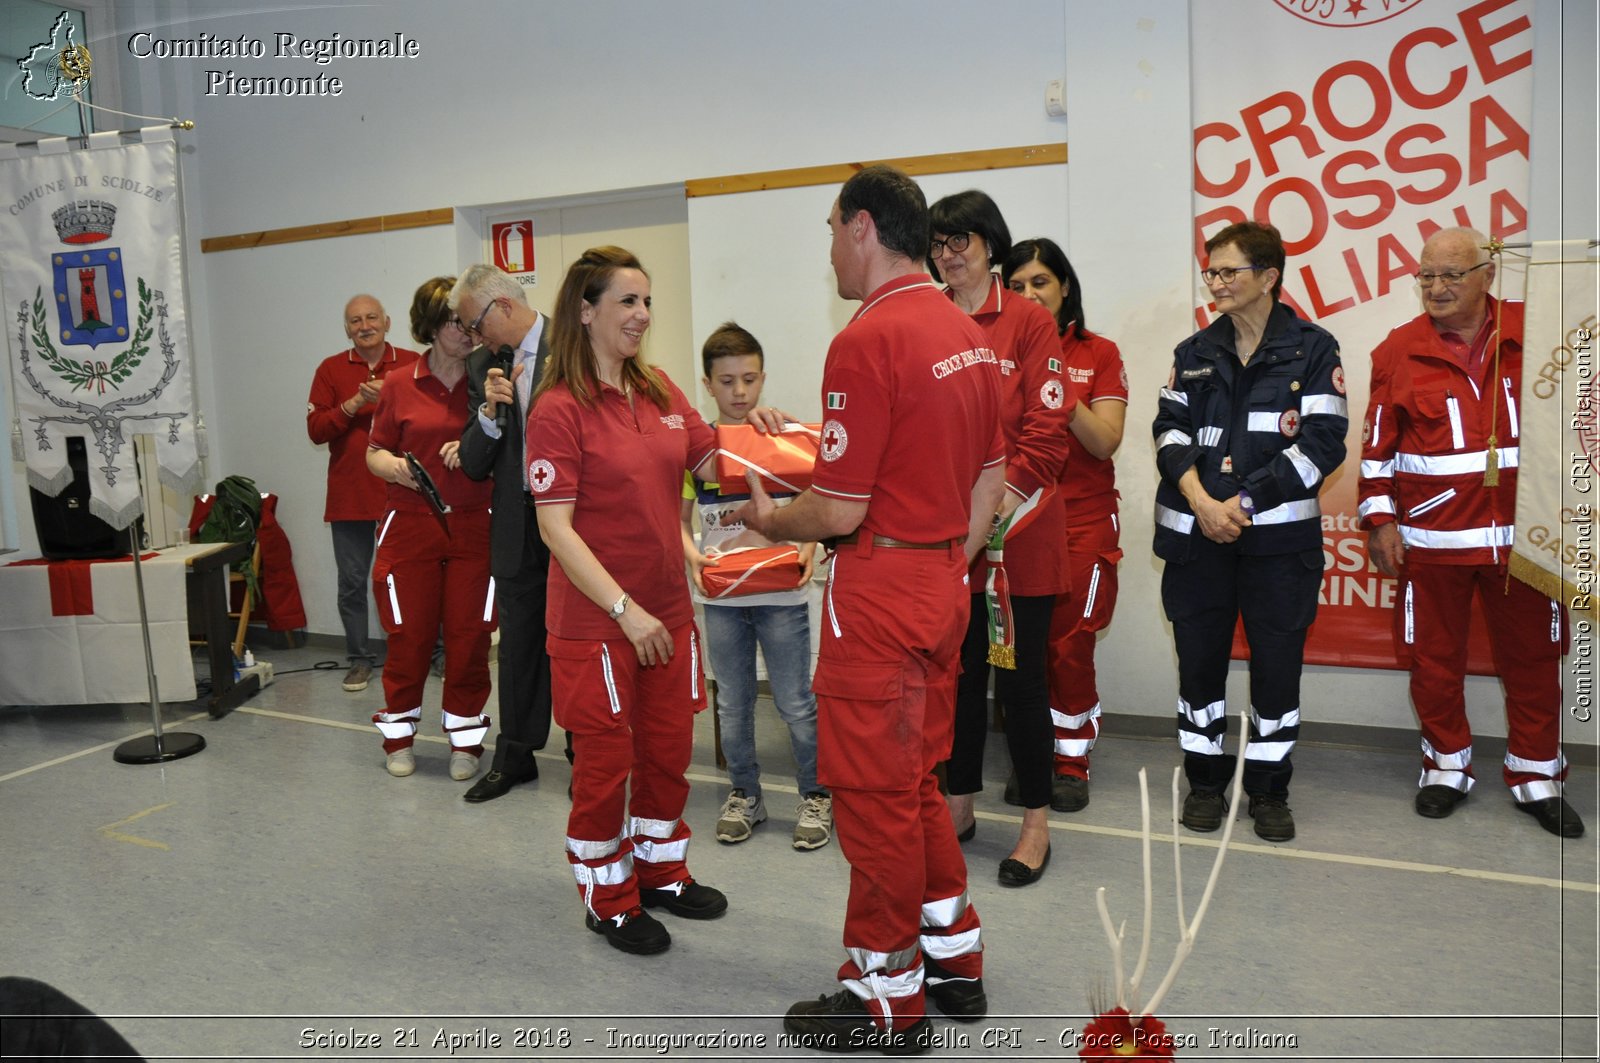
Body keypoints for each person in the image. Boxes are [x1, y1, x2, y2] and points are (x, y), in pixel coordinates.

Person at [737, 165, 1006, 1053]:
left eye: (828, 230)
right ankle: (953, 957)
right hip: (943, 584)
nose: (829, 252)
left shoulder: (868, 339)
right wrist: (943, 562)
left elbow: (842, 508)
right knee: (916, 782)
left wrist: (778, 518)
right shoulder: (966, 332)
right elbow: (991, 478)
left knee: (869, 799)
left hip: (881, 594)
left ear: (860, 226)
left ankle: (885, 996)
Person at [526, 245, 728, 957]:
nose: (643, 315)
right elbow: (556, 528)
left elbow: (716, 466)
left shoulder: (663, 391)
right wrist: (624, 610)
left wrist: (767, 431)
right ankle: (608, 898)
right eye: (627, 302)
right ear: (586, 311)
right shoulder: (557, 409)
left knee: (669, 754)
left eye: (647, 301)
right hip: (599, 623)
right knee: (606, 767)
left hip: (666, 614)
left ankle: (660, 871)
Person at [1359, 227, 1582, 838]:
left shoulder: (1542, 335)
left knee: (1535, 661)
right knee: (1433, 662)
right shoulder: (1397, 350)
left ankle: (1538, 776)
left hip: (1528, 538)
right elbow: (1377, 449)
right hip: (1432, 543)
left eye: (1452, 275)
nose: (1436, 287)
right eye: (1427, 275)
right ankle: (1445, 767)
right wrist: (1379, 521)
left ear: (1489, 274)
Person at [1152, 221, 1346, 843]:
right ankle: (1205, 782)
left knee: (1277, 674)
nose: (1216, 283)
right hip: (1197, 540)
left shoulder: (1314, 349)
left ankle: (1267, 790)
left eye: (1229, 271)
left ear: (1269, 277)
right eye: (1210, 271)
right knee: (1198, 670)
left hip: (1277, 549)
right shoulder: (1194, 352)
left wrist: (1241, 501)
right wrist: (1201, 501)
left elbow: (1323, 443)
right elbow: (1169, 433)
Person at [929, 191, 1073, 889]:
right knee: (955, 680)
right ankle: (958, 804)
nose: (950, 254)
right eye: (938, 243)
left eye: (963, 240)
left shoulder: (1027, 322)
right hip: (947, 543)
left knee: (1020, 686)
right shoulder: (924, 320)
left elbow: (1047, 436)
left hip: (1019, 537)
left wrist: (990, 516)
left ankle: (1036, 822)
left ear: (991, 243)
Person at [681, 322, 832, 850]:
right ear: (708, 383)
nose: (739, 392)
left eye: (748, 379)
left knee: (795, 700)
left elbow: (821, 500)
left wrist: (811, 544)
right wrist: (692, 555)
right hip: (720, 597)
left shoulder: (784, 437)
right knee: (733, 702)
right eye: (726, 381)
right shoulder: (696, 446)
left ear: (763, 377)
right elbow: (676, 517)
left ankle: (816, 793)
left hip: (781, 593)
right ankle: (745, 793)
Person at [1003, 237, 1128, 813]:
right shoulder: (992, 352)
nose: (1029, 294)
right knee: (1014, 649)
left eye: (1040, 283)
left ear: (1064, 288)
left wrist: (1054, 381)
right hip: (1015, 521)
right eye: (1018, 284)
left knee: (1069, 645)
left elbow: (1104, 441)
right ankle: (1032, 753)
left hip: (1081, 522)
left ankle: (1070, 761)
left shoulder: (1098, 352)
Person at [364, 277, 495, 781]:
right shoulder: (399, 383)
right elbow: (373, 451)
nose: (465, 331)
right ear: (431, 325)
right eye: (453, 322)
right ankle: (399, 738)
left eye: (470, 321)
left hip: (474, 525)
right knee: (409, 638)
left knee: (469, 640)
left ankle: (465, 744)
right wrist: (394, 466)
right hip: (410, 526)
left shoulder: (490, 378)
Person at [453, 265, 559, 803]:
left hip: (572, 525)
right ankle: (515, 755)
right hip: (517, 526)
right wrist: (491, 414)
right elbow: (473, 462)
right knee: (518, 648)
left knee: (577, 644)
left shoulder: (576, 344)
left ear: (502, 308)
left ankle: (585, 756)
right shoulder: (482, 365)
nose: (474, 337)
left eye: (475, 324)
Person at [305, 295, 419, 692]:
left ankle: (427, 653)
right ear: (347, 328)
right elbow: (316, 430)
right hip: (349, 495)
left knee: (411, 578)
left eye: (372, 317)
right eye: (356, 320)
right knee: (353, 581)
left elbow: (432, 419)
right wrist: (353, 403)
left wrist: (393, 395)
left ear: (387, 322)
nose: (365, 325)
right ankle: (359, 659)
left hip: (403, 493)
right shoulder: (330, 369)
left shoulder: (412, 362)